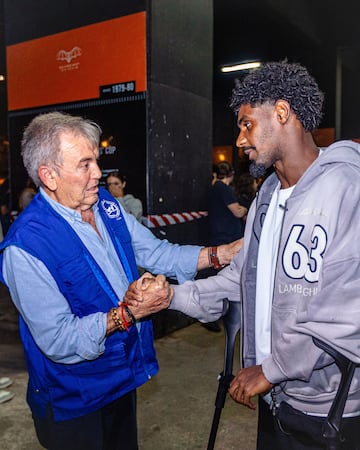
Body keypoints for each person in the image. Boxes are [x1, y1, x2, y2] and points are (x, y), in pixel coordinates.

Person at [129, 60, 360, 449]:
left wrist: (271, 369)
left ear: (283, 113)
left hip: (330, 409)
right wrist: (171, 295)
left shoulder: (347, 187)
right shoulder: (266, 197)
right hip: (274, 396)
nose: (239, 140)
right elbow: (241, 279)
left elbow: (347, 312)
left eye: (246, 123)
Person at [0, 111, 241, 450]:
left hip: (121, 376)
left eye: (96, 161)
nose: (98, 173)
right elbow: (58, 339)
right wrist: (129, 313)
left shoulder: (106, 207)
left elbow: (158, 253)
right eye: (85, 165)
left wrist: (223, 253)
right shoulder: (25, 247)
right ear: (49, 176)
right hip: (74, 400)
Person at [208, 161, 247, 245]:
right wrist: (244, 209)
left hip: (218, 234)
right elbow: (238, 212)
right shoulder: (224, 189)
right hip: (227, 237)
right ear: (231, 173)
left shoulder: (214, 187)